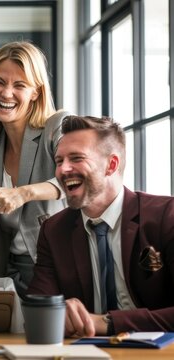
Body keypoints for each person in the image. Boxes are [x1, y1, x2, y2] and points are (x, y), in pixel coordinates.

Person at [28, 115, 174, 336]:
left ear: (111, 165)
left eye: (76, 158)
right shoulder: (53, 231)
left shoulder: (166, 216)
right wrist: (58, 315)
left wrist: (107, 322)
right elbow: (37, 316)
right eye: (59, 161)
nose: (63, 170)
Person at [0, 41, 69, 297]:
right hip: (9, 277)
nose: (6, 93)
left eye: (19, 85)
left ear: (36, 92)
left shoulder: (58, 127)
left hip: (59, 273)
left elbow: (77, 178)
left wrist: (24, 193)